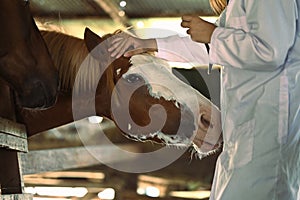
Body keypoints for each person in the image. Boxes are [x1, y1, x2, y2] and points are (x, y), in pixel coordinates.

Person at [108, 0, 300, 199]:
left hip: (267, 126)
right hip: (246, 128)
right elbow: (216, 49)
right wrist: (148, 44)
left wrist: (213, 35)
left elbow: (270, 51)